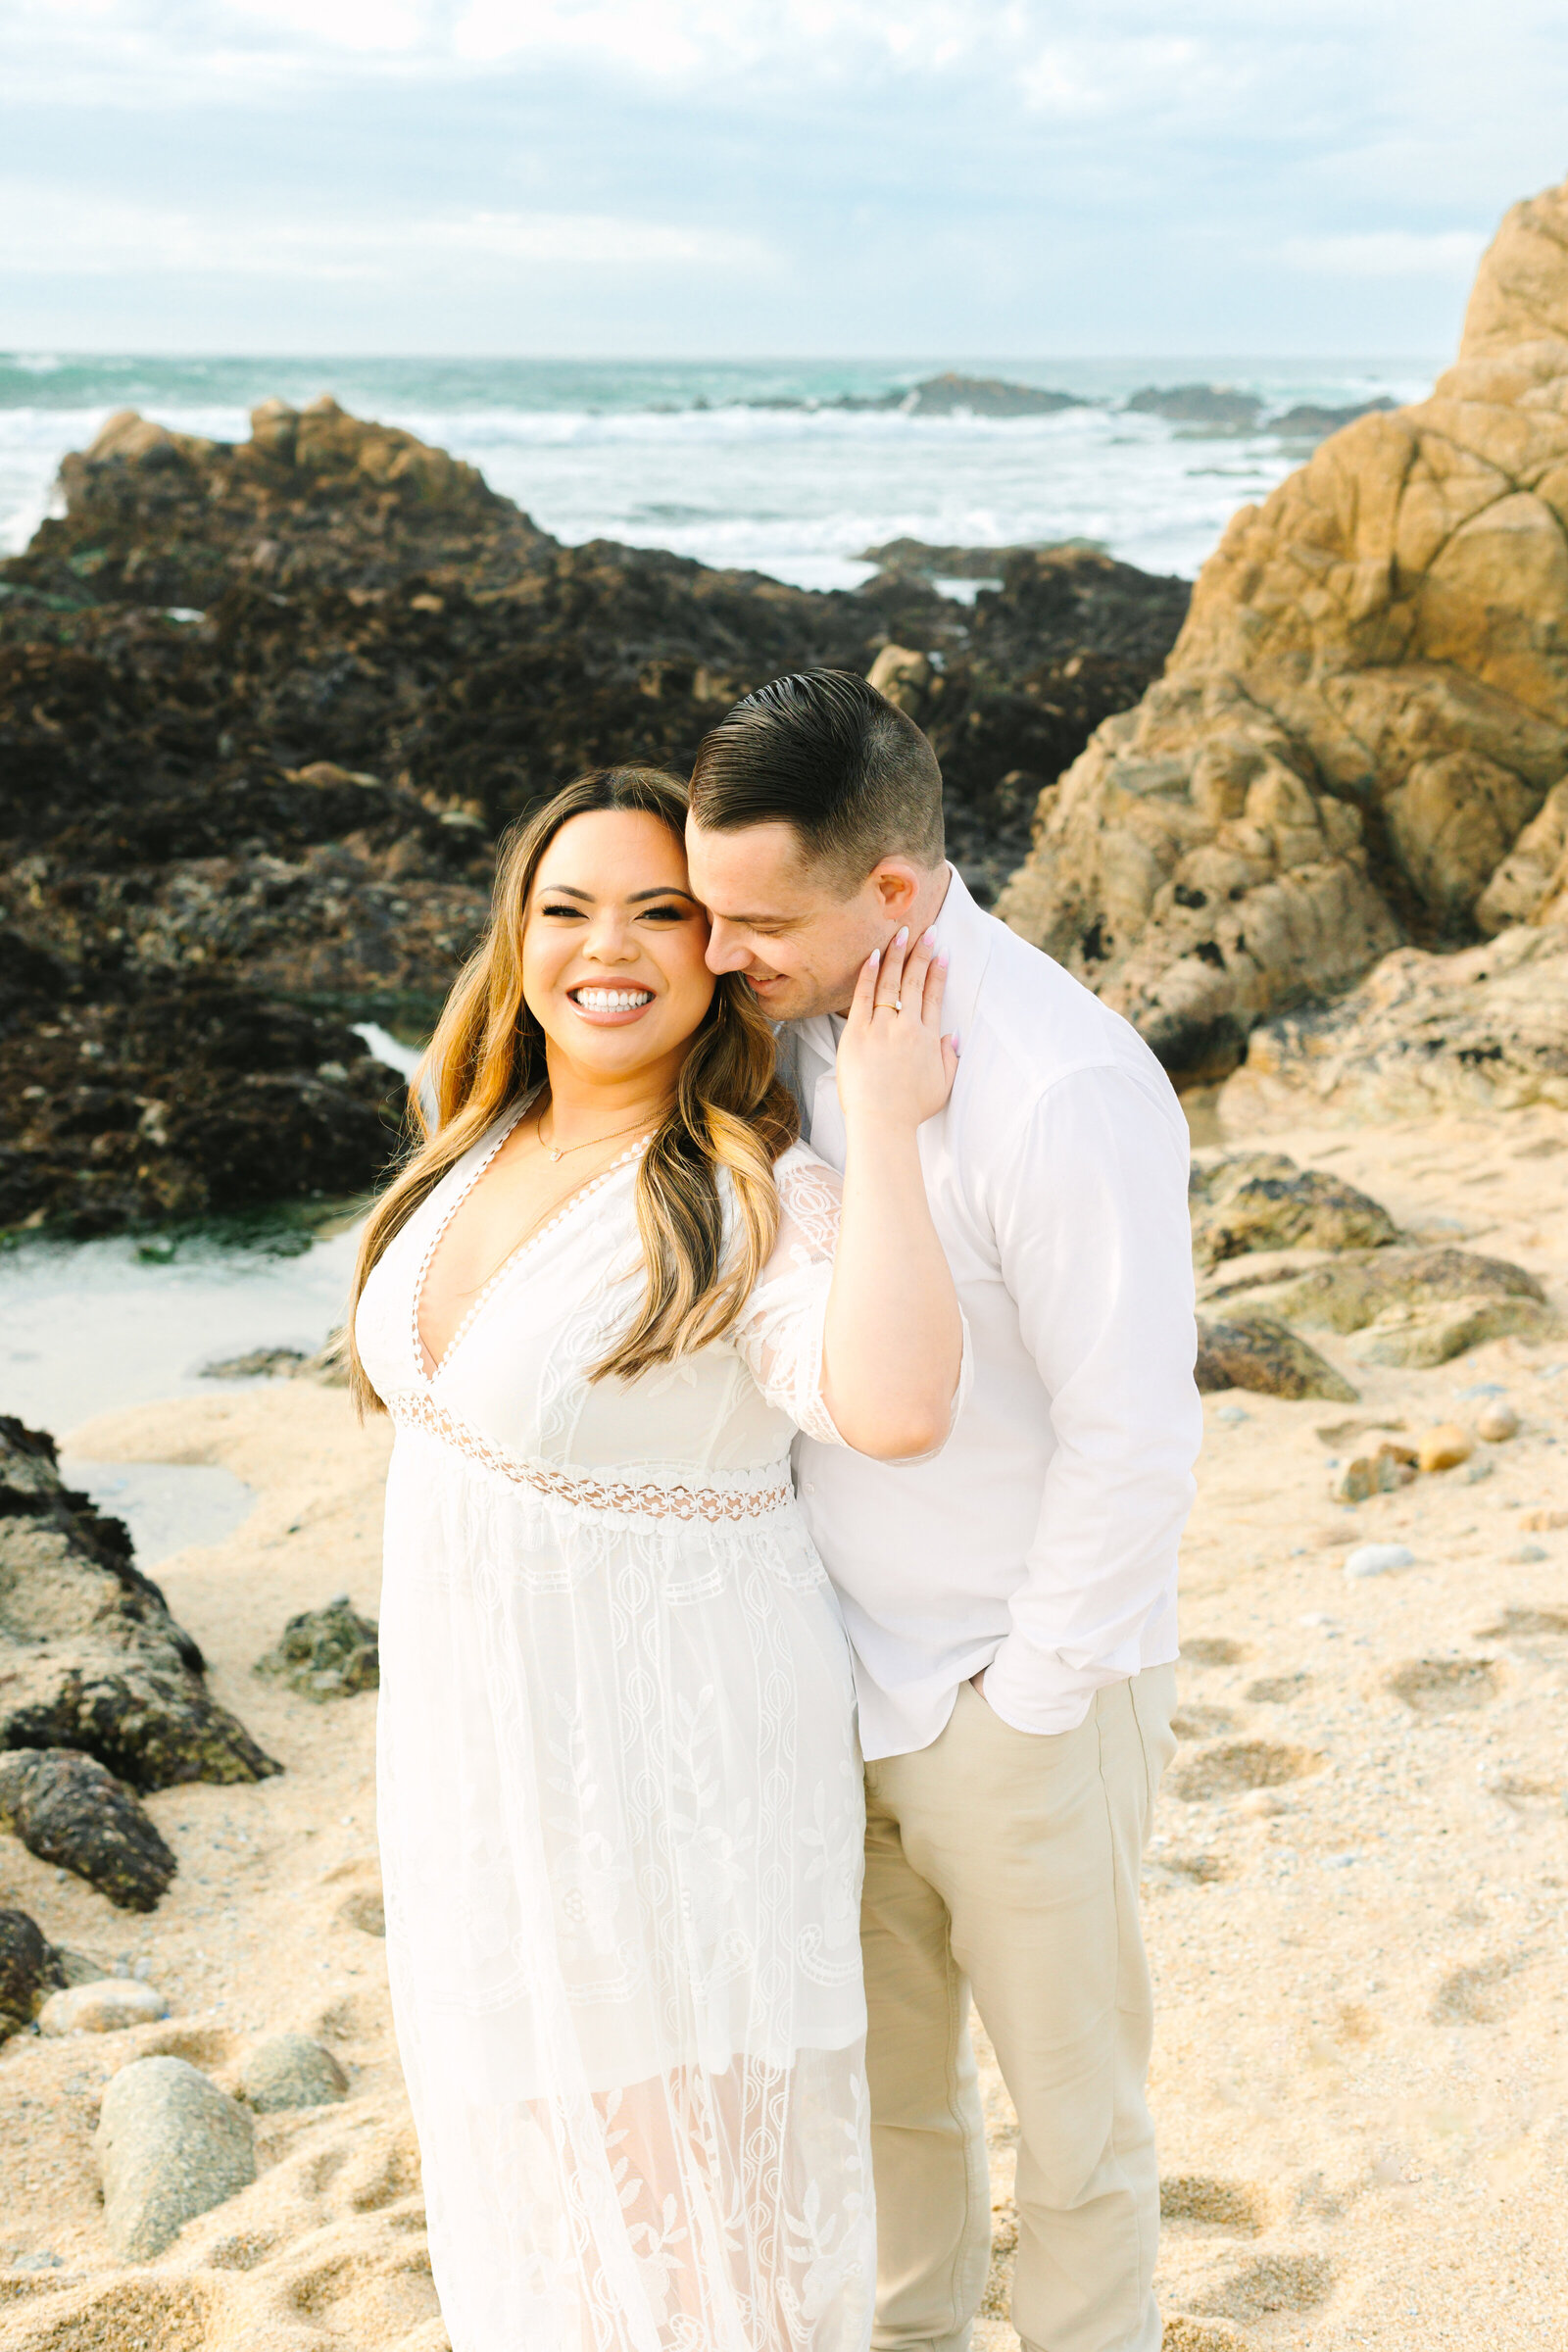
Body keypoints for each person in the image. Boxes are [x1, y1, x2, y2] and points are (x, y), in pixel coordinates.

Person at [347, 764, 966, 2352]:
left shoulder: (744, 1191)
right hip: (483, 1775)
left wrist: (886, 1128)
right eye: (566, 908)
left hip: (669, 1777)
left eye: (658, 913)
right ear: (519, 935)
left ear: (719, 954)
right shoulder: (470, 1138)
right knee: (549, 2175)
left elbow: (892, 1407)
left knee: (695, 2211)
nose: (603, 948)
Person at [685, 673, 1202, 2352]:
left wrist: (1032, 1704)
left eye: (754, 919)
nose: (716, 955)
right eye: (707, 910)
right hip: (835, 1692)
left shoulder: (1062, 1085)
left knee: (1077, 2139)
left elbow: (1136, 1439)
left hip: (1016, 1700)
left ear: (893, 893)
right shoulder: (794, 1034)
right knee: (894, 2121)